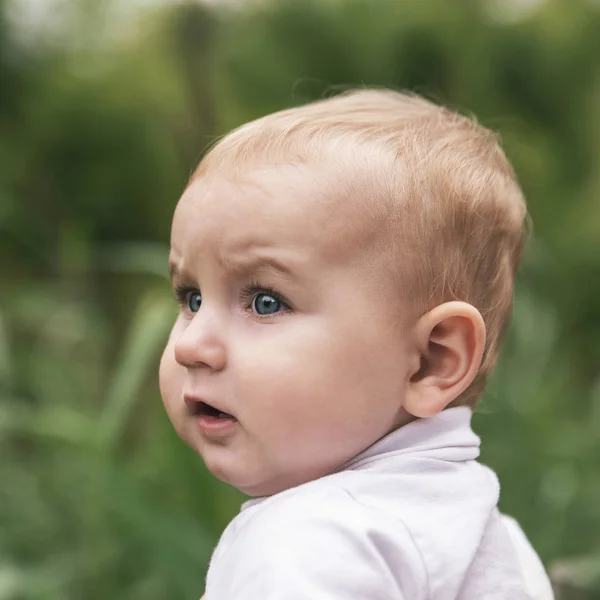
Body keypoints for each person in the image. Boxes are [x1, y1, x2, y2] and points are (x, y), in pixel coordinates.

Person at [159, 89, 554, 599]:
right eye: (190, 297)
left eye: (265, 302)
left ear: (431, 361)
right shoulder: (490, 536)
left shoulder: (308, 545)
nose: (192, 344)